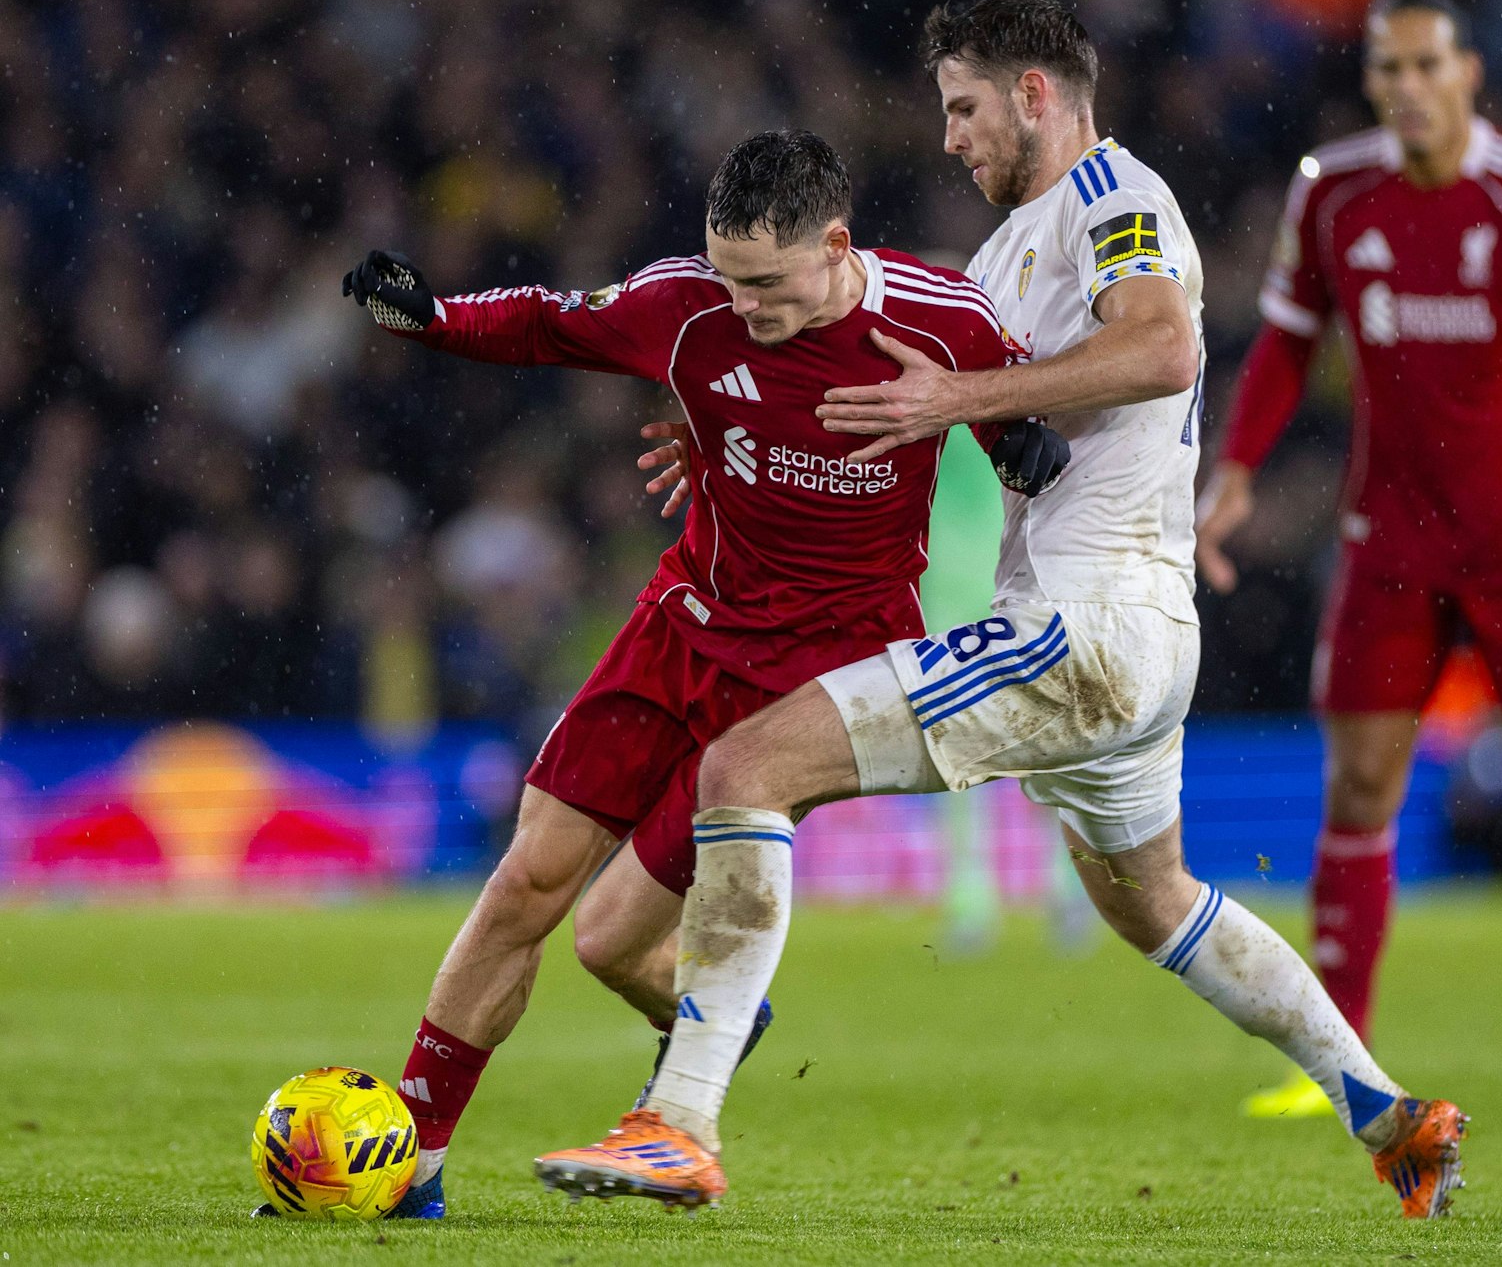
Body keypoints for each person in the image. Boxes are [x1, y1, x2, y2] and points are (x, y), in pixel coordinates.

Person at [538, 0, 1467, 1220]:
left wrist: (961, 398)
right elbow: (907, 403)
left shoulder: (1115, 203)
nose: (949, 138)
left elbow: (1166, 348)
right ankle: (1386, 1111)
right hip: (1127, 639)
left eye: (963, 107)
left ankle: (680, 1122)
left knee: (745, 766)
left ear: (1035, 95)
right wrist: (720, 436)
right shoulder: (992, 261)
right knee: (1153, 899)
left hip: (1087, 623)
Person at [288, 130, 1069, 1220]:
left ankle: (706, 1028)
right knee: (528, 880)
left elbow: (1014, 405)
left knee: (608, 939)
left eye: (766, 281)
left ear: (835, 244)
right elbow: (549, 322)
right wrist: (434, 318)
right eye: (727, 272)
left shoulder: (943, 316)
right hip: (683, 627)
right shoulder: (687, 301)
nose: (741, 301)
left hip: (819, 676)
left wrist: (1019, 436)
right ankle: (412, 1157)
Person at [1194, 0, 1502, 1124]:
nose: (1405, 88)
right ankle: (1340, 1061)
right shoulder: (1333, 193)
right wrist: (1238, 466)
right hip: (1387, 543)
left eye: (1425, 65)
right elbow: (1289, 344)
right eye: (1386, 70)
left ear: (1469, 70)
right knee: (1357, 789)